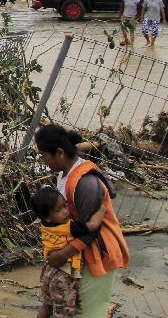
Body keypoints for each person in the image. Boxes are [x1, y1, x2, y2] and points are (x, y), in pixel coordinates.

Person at [34, 125, 130, 318]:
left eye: (44, 156)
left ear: (59, 153)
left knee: (89, 312)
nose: (43, 161)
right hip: (81, 255)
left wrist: (62, 255)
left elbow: (90, 231)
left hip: (97, 254)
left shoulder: (85, 183)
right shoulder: (66, 175)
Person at [31, 187, 106, 318]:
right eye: (58, 210)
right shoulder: (69, 227)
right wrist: (102, 209)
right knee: (64, 313)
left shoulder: (45, 225)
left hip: (48, 271)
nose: (66, 211)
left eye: (65, 205)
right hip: (63, 276)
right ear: (48, 217)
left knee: (47, 306)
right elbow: (93, 226)